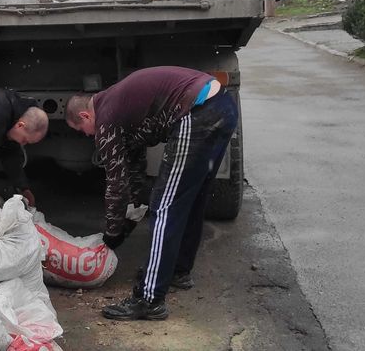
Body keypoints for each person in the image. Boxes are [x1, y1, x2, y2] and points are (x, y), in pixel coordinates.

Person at [65, 66, 238, 321]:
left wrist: (113, 234)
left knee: (165, 206)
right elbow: (132, 171)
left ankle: (149, 299)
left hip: (197, 112)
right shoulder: (121, 105)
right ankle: (178, 270)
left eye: (82, 130)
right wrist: (129, 220)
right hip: (222, 106)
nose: (88, 135)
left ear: (85, 115)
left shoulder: (106, 116)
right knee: (190, 199)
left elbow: (116, 182)